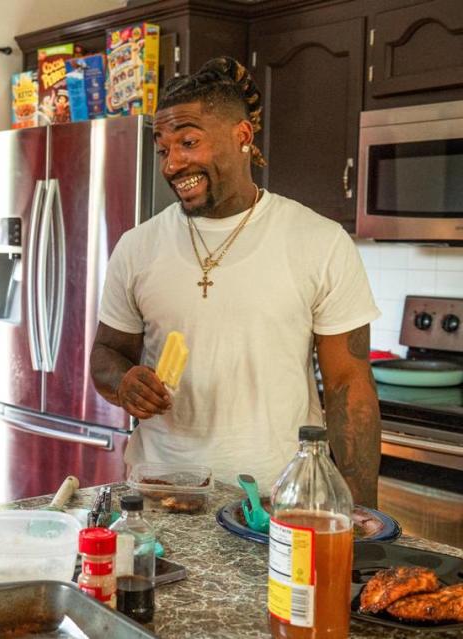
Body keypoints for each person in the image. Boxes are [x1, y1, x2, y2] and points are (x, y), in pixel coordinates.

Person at [90, 57, 382, 506]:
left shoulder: (319, 241)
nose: (172, 164)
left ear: (242, 136)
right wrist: (124, 381)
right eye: (164, 149)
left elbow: (349, 384)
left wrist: (361, 513)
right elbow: (106, 353)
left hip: (278, 498)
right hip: (161, 490)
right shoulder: (137, 246)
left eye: (188, 142)